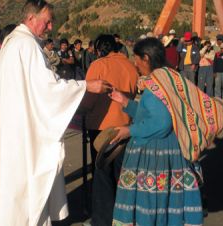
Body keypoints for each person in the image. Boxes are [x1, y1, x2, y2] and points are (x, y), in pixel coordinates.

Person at [0, 1, 112, 225]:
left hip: (14, 126)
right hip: (24, 130)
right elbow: (47, 89)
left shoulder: (14, 42)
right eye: (48, 21)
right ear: (31, 19)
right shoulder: (27, 45)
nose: (51, 27)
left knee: (13, 182)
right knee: (27, 181)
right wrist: (86, 86)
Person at [108, 38, 223, 225]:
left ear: (146, 58)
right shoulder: (169, 77)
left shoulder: (157, 82)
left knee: (153, 201)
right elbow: (151, 114)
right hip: (171, 150)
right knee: (168, 201)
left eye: (136, 58)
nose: (135, 63)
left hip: (156, 154)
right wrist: (125, 102)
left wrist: (129, 130)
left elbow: (161, 122)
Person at [80, 34, 138, 226]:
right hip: (125, 125)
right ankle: (123, 217)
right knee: (122, 175)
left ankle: (102, 221)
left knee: (102, 176)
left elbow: (89, 98)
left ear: (99, 50)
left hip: (101, 127)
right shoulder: (130, 65)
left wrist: (80, 110)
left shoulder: (99, 65)